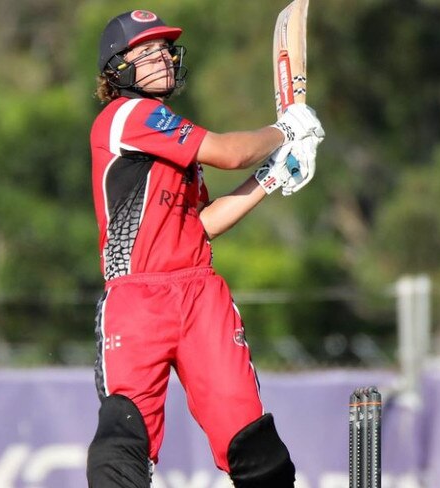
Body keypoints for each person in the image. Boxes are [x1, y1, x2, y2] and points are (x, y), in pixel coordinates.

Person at [86, 9, 324, 488]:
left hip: (199, 295)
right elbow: (231, 152)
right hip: (138, 298)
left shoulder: (174, 143)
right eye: (147, 51)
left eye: (165, 49)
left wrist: (272, 177)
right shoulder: (128, 116)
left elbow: (201, 226)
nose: (164, 58)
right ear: (119, 67)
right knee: (124, 438)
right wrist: (286, 129)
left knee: (249, 439)